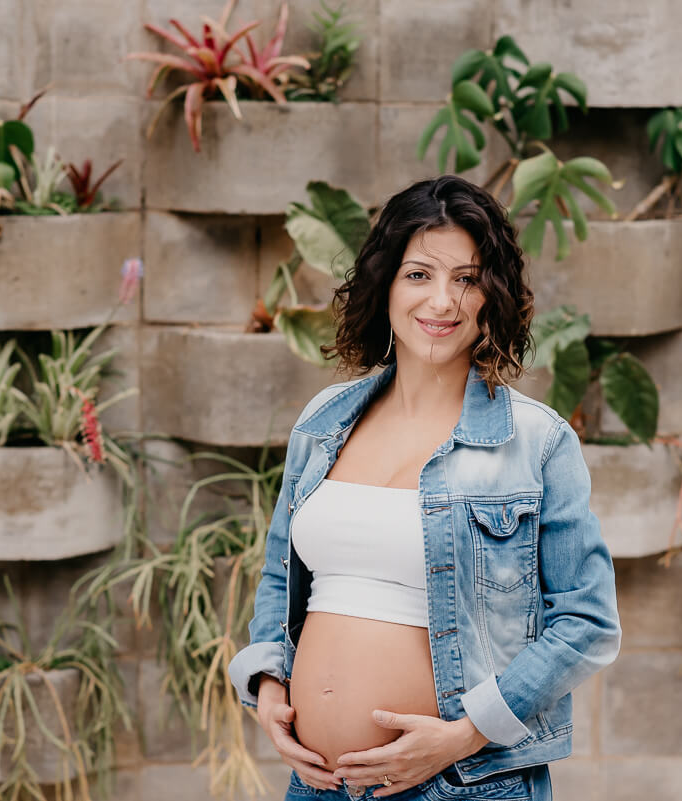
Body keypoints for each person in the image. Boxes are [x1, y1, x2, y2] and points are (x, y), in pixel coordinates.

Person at [228, 175, 621, 801]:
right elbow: (281, 574)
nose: (442, 301)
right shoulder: (323, 421)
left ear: (492, 295)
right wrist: (269, 687)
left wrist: (465, 735)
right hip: (318, 784)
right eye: (419, 274)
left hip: (461, 784)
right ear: (384, 283)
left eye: (466, 279)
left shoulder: (536, 441)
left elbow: (587, 620)